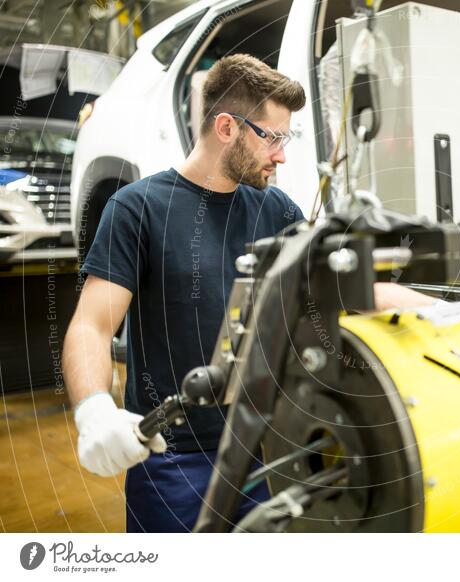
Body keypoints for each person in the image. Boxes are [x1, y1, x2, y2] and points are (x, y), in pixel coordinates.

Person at [63, 54, 433, 533]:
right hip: (176, 464)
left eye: (287, 138)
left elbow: (347, 286)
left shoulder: (276, 208)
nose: (281, 154)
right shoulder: (138, 209)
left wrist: (456, 315)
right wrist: (94, 409)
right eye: (273, 137)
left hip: (270, 452)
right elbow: (91, 325)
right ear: (226, 127)